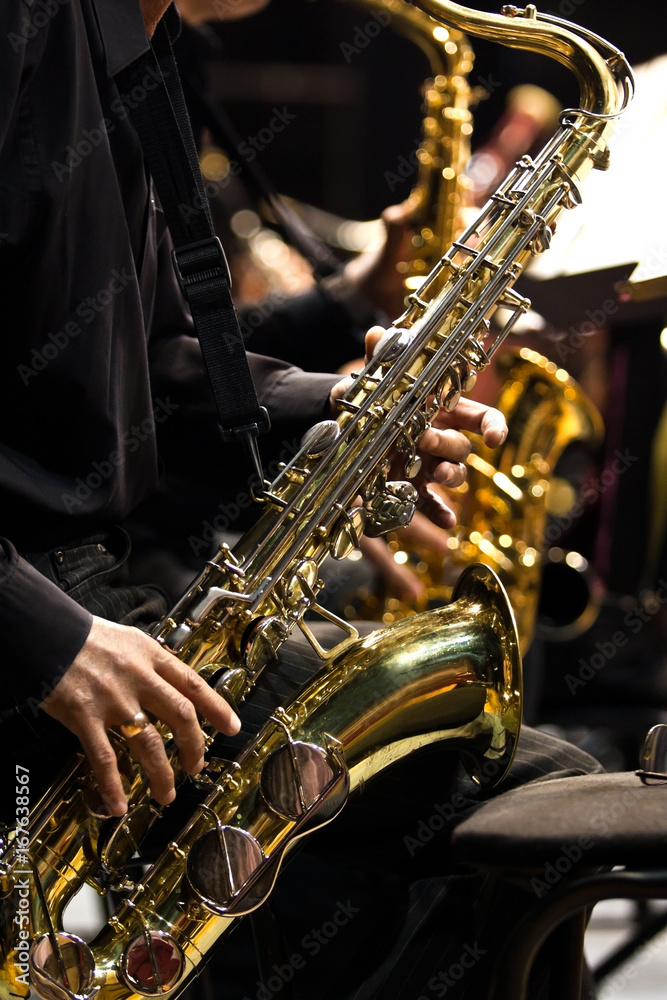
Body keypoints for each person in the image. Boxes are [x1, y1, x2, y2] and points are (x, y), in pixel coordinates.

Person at [0, 1, 602, 997]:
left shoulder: (135, 48)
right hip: (42, 623)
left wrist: (345, 410)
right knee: (515, 802)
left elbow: (153, 368)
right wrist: (42, 635)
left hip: (95, 601)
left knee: (522, 805)